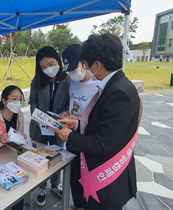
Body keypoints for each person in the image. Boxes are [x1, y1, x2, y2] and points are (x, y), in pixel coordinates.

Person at [55, 33, 141, 210]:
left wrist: (70, 137)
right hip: (100, 175)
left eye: (85, 65)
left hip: (106, 179)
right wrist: (78, 124)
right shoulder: (115, 85)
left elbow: (104, 143)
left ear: (98, 65)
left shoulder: (119, 92)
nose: (85, 69)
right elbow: (105, 124)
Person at [29, 46, 71, 206]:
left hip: (58, 126)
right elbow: (32, 100)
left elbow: (70, 100)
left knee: (57, 155)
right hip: (39, 126)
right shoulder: (37, 80)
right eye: (43, 67)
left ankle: (55, 184)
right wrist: (35, 115)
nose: (48, 69)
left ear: (58, 61)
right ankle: (42, 187)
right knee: (40, 156)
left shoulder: (67, 80)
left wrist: (66, 112)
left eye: (51, 64)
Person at [61, 44, 100, 210]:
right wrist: (66, 113)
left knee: (89, 178)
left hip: (88, 139)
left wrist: (78, 119)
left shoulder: (99, 84)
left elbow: (98, 117)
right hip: (72, 136)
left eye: (74, 68)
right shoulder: (73, 82)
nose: (72, 73)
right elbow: (74, 105)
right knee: (74, 176)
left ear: (84, 63)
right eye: (69, 70)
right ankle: (77, 205)